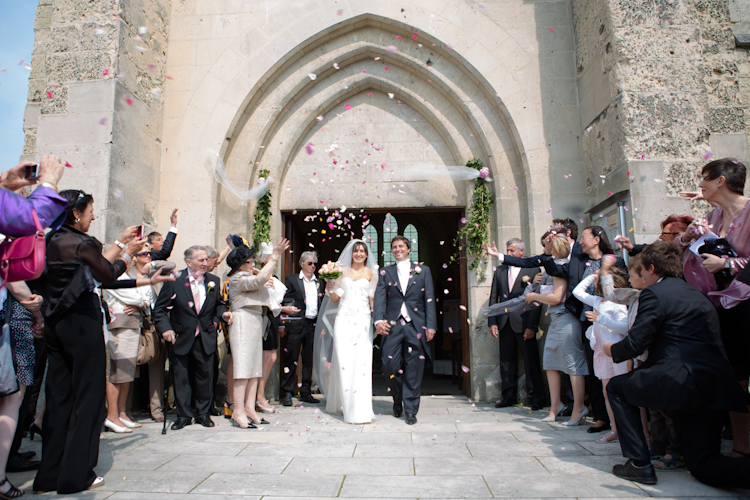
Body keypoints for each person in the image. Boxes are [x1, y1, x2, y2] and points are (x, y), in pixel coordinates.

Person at [33, 190, 173, 495]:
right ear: (76, 213)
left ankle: (48, 476)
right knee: (88, 399)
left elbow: (89, 275)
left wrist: (129, 254)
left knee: (58, 399)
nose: (93, 216)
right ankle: (75, 476)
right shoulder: (81, 243)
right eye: (90, 211)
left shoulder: (51, 241)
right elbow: (107, 274)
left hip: (57, 324)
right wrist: (127, 252)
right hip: (82, 326)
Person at [603, 241, 750, 487]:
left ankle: (639, 464)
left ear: (650, 268)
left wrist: (612, 349)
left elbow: (636, 343)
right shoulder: (696, 293)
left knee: (617, 388)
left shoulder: (655, 293)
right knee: (703, 465)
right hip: (713, 386)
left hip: (682, 380)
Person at [678, 158, 750, 459]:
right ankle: (741, 447)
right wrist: (690, 236)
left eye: (704, 178)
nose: (700, 185)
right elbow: (689, 245)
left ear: (720, 181)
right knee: (734, 378)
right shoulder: (713, 213)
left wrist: (727, 264)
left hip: (748, 304)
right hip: (723, 306)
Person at [153, 246, 232, 430]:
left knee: (205, 376)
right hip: (181, 335)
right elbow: (160, 309)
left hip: (205, 335)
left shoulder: (213, 280)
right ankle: (184, 415)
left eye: (206, 260)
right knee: (181, 377)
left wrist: (221, 315)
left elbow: (218, 304)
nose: (206, 263)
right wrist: (165, 329)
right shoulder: (174, 280)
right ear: (189, 262)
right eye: (201, 260)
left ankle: (203, 413)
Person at [518, 231, 589, 425]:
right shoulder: (552, 268)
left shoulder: (562, 267)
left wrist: (534, 297)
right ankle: (554, 407)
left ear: (555, 248)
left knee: (573, 365)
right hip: (556, 320)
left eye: (547, 247)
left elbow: (557, 297)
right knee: (550, 363)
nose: (544, 250)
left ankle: (579, 408)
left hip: (566, 319)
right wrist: (535, 286)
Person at [373, 235, 437, 425]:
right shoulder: (385, 272)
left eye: (401, 246)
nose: (397, 249)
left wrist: (431, 325)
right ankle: (397, 398)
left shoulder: (423, 271)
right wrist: (378, 321)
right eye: (394, 247)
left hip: (415, 325)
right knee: (388, 365)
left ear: (408, 249)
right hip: (392, 326)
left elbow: (430, 300)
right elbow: (380, 299)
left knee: (414, 368)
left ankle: (410, 409)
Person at [225, 238, 288, 428]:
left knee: (254, 368)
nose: (252, 264)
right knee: (243, 368)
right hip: (242, 320)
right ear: (239, 265)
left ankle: (250, 407)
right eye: (249, 262)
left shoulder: (248, 275)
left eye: (252, 261)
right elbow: (259, 281)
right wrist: (275, 256)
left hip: (255, 319)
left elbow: (262, 282)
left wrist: (261, 274)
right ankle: (238, 411)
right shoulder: (236, 278)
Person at [316, 239, 378, 424]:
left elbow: (372, 301)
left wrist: (378, 321)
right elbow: (335, 299)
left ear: (366, 254)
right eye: (355, 251)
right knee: (344, 363)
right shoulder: (341, 272)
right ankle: (344, 405)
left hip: (363, 321)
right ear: (351, 254)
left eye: (362, 251)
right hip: (343, 320)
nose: (358, 254)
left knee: (362, 365)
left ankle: (359, 409)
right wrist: (330, 286)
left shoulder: (372, 273)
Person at [102, 243, 158, 433]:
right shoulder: (115, 275)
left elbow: (143, 299)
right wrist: (140, 303)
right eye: (130, 256)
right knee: (118, 373)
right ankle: (112, 415)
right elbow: (137, 299)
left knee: (127, 373)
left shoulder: (127, 276)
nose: (132, 260)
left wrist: (140, 303)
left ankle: (122, 412)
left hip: (132, 325)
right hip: (121, 325)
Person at [573, 267, 630, 443]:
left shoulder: (618, 304)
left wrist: (600, 319)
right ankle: (614, 429)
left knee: (625, 393)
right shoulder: (598, 301)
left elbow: (624, 327)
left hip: (617, 352)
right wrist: (592, 276)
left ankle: (631, 430)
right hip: (601, 353)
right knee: (607, 393)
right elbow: (577, 291)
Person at [487, 238, 544, 410]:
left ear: (521, 251)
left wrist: (532, 326)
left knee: (530, 361)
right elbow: (493, 297)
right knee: (506, 361)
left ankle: (536, 398)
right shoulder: (500, 270)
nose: (509, 254)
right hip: (504, 322)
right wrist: (493, 321)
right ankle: (508, 396)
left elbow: (537, 300)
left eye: (512, 251)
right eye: (508, 251)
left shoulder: (533, 269)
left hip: (524, 322)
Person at [281, 251, 325, 406]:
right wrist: (283, 322)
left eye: (314, 263)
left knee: (308, 360)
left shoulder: (319, 282)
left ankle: (306, 392)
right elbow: (285, 300)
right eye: (310, 263)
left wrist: (322, 326)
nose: (313, 266)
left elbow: (322, 304)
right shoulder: (292, 279)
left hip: (312, 325)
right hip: (296, 323)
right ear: (302, 264)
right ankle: (287, 391)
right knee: (291, 358)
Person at [616, 214, 694, 256]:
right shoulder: (664, 251)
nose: (660, 237)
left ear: (679, 236)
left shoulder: (691, 256)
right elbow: (651, 248)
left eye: (664, 234)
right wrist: (631, 247)